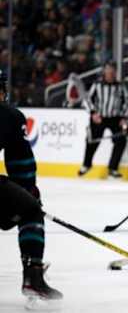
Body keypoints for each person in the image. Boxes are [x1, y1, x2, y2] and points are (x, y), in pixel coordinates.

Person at [0, 70, 62, 301]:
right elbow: (22, 164)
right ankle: (33, 278)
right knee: (31, 210)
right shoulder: (10, 115)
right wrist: (29, 192)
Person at [78, 61, 128, 178]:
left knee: (121, 140)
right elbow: (87, 100)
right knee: (91, 140)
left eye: (113, 71)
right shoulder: (97, 85)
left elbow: (127, 103)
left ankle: (113, 168)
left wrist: (123, 117)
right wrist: (93, 113)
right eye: (108, 71)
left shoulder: (120, 86)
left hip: (116, 118)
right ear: (104, 72)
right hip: (99, 117)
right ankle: (86, 164)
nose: (111, 74)